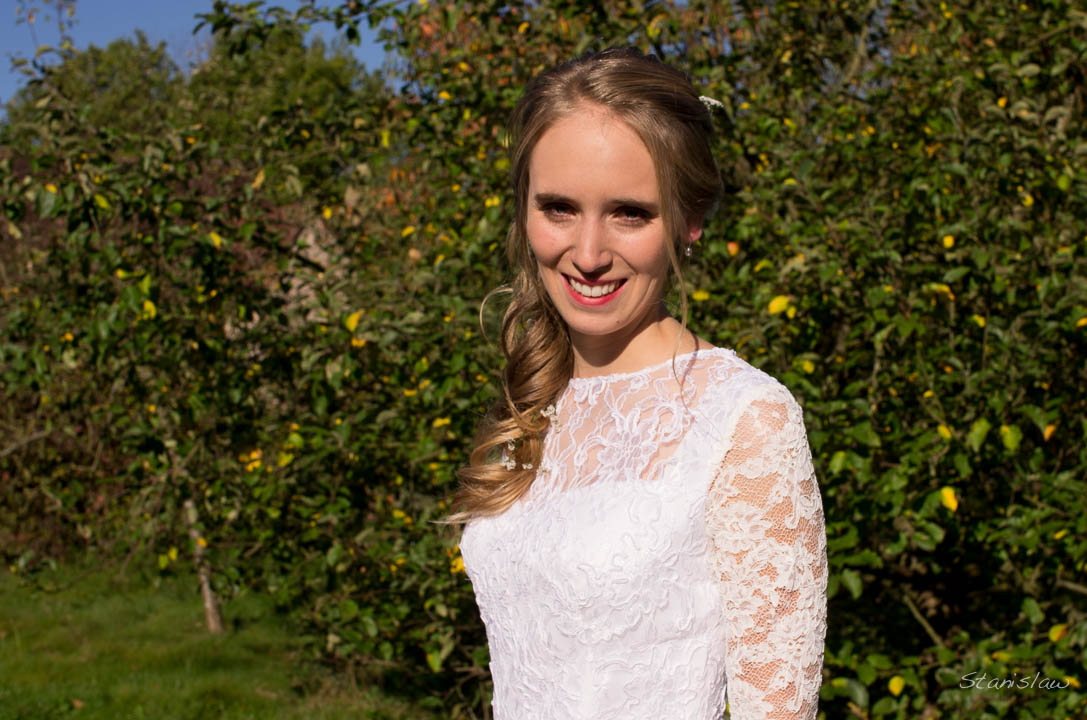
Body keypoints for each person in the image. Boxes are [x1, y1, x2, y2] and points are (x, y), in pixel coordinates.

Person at [441, 46, 828, 720]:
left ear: (688, 220)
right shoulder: (536, 403)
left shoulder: (742, 419)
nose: (588, 254)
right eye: (558, 208)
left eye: (630, 213)